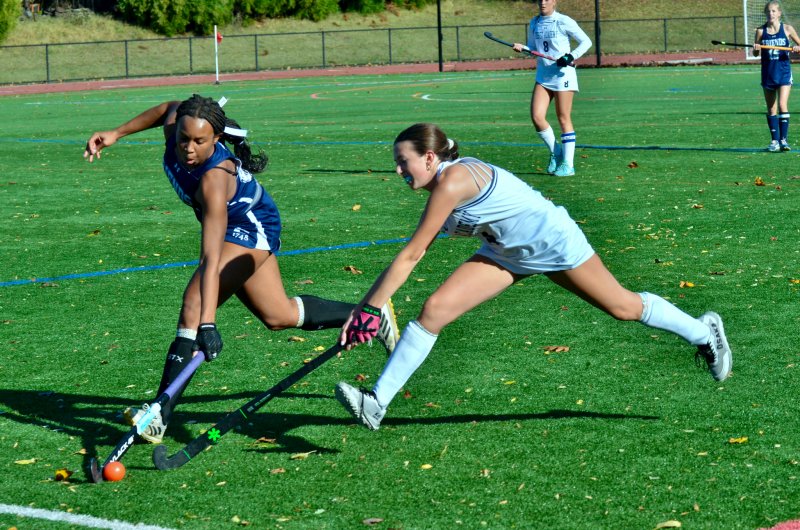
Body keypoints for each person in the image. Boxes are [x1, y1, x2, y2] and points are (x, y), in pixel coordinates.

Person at [334, 123, 732, 431]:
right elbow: (411, 255)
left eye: (403, 160)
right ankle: (376, 404)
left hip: (552, 241)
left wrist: (371, 307)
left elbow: (412, 254)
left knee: (622, 306)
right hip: (506, 252)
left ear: (430, 157)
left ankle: (704, 333)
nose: (398, 169)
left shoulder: (453, 181)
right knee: (435, 310)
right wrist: (365, 307)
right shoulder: (440, 185)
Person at [83, 94, 398, 443]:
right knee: (278, 315)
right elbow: (167, 107)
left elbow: (211, 258)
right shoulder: (177, 127)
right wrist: (116, 133)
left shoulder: (214, 180)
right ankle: (372, 314)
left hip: (251, 228)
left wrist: (206, 323)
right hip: (241, 223)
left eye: (199, 141)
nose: (188, 148)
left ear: (216, 139)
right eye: (183, 138)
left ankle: (159, 414)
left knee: (192, 303)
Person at [512, 0, 592, 177]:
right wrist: (523, 48)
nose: (543, 2)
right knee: (537, 117)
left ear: (554, 1)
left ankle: (568, 165)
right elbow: (533, 48)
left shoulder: (563, 21)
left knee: (563, 118)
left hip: (563, 75)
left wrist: (570, 56)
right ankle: (556, 153)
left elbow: (586, 42)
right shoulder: (535, 22)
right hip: (543, 75)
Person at [753, 0, 800, 152]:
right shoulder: (761, 31)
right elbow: (755, 53)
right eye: (768, 11)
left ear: (779, 13)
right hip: (768, 74)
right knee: (771, 109)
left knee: (782, 105)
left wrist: (796, 48)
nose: (770, 14)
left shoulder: (787, 29)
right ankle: (774, 141)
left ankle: (784, 141)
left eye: (773, 11)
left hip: (784, 72)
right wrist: (756, 48)